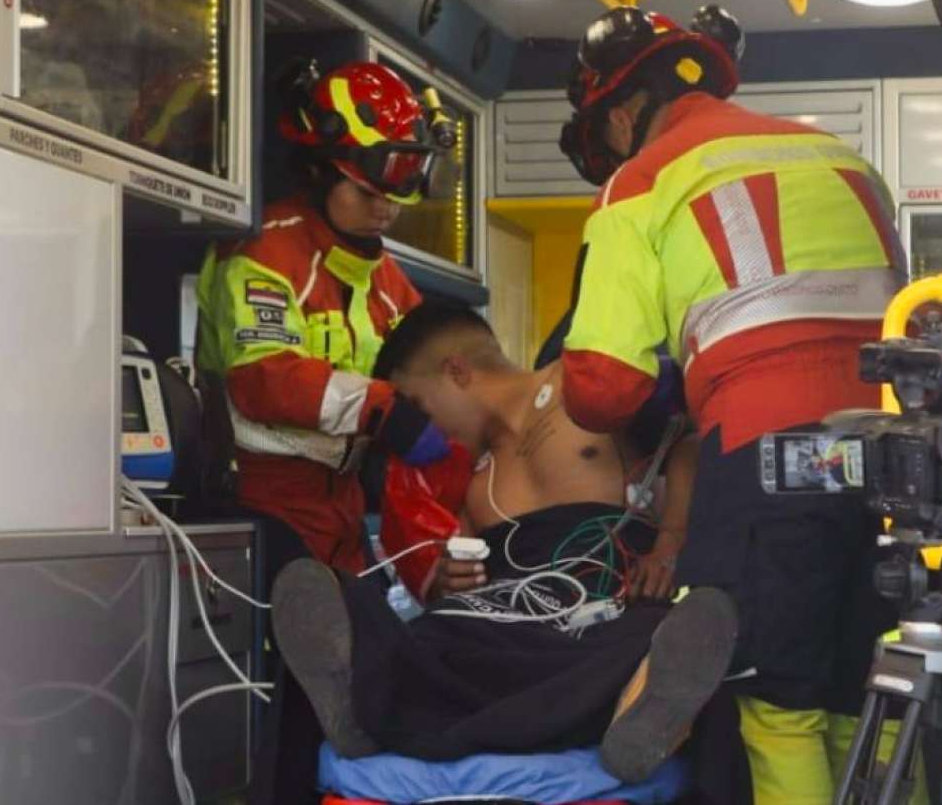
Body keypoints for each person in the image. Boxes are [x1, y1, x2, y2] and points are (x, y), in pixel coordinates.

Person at [556, 5, 916, 804]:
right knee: (879, 696)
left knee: (778, 703)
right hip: (895, 454)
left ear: (621, 112)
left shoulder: (641, 180)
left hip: (767, 452)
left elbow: (602, 385)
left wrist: (664, 380)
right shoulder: (840, 155)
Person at [270, 302, 742, 794]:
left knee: (644, 635)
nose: (426, 429)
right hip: (506, 617)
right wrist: (446, 581)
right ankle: (358, 706)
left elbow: (688, 443)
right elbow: (464, 579)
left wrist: (670, 540)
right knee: (422, 635)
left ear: (456, 372)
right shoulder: (469, 476)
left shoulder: (582, 386)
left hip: (601, 607)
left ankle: (641, 708)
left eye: (419, 405)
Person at [196, 60, 450, 580]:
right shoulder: (264, 252)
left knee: (366, 626)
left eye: (395, 198)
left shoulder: (387, 279)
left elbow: (436, 367)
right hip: (260, 502)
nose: (385, 211)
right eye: (368, 194)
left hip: (344, 504)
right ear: (319, 171)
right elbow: (263, 378)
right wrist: (385, 409)